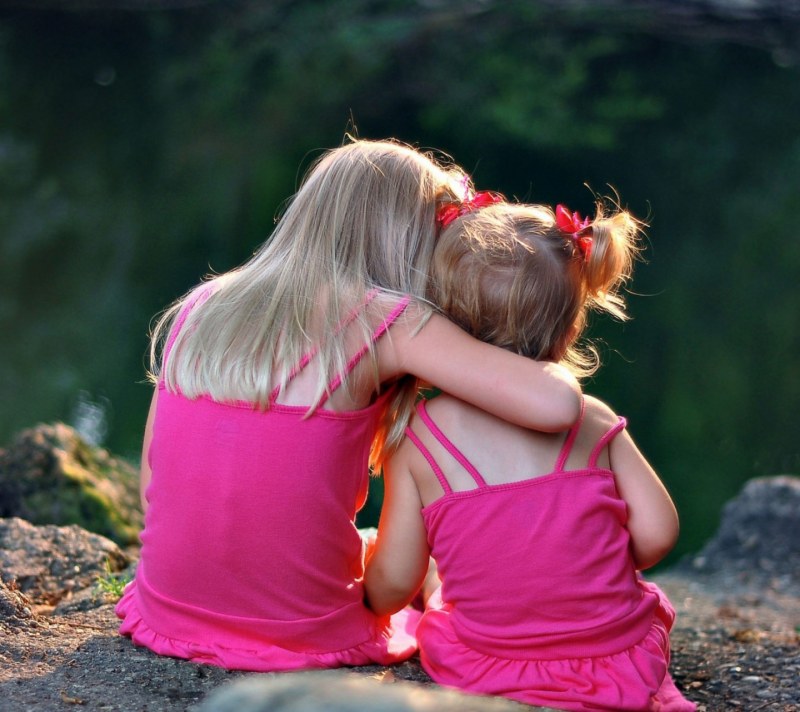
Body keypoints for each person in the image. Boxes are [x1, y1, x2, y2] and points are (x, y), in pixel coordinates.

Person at [115, 139, 582, 672]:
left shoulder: (204, 304)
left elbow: (152, 480)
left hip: (168, 612)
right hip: (303, 632)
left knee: (365, 544)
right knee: (412, 563)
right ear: (408, 239)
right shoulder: (388, 319)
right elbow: (557, 407)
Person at [364, 197, 697, 710]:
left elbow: (392, 583)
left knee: (439, 600)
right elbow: (657, 534)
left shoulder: (418, 440)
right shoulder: (593, 419)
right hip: (615, 656)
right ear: (568, 330)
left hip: (486, 662)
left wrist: (366, 593)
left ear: (444, 323)